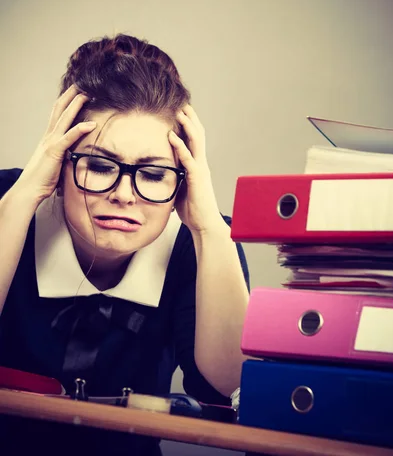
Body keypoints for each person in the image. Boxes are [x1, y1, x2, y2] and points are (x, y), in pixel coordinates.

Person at [0, 34, 250, 455]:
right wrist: (22, 199)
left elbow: (232, 385)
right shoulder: (11, 201)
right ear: (60, 162)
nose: (124, 194)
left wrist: (209, 229)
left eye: (153, 175)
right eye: (99, 166)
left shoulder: (204, 241)